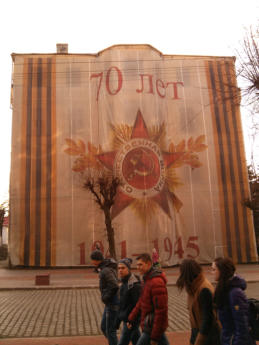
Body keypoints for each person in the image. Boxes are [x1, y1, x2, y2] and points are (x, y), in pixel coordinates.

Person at [212, 257, 256, 345]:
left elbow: (242, 324)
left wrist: (235, 342)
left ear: (222, 271)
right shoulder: (223, 288)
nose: (212, 272)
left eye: (214, 269)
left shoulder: (235, 293)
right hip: (228, 339)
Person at [127, 253, 169, 345]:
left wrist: (154, 336)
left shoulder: (156, 282)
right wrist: (131, 317)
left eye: (140, 264)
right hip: (151, 324)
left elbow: (161, 311)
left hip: (152, 326)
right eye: (137, 265)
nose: (138, 267)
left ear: (149, 264)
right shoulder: (147, 279)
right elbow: (142, 301)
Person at [176, 259, 220, 345]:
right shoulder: (193, 288)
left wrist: (198, 341)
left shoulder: (203, 289)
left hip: (208, 337)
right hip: (198, 332)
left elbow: (207, 319)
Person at [90, 250, 119, 345]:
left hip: (112, 303)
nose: (92, 262)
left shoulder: (105, 270)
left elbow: (114, 285)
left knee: (110, 330)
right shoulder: (104, 267)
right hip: (110, 303)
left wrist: (106, 297)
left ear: (97, 260)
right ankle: (114, 342)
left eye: (92, 260)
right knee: (104, 327)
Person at [117, 258, 141, 345]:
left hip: (130, 320)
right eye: (119, 268)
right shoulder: (124, 283)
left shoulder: (134, 285)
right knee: (137, 340)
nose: (120, 270)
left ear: (128, 269)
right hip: (127, 319)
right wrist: (118, 320)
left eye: (123, 268)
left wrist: (132, 321)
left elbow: (138, 305)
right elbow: (122, 304)